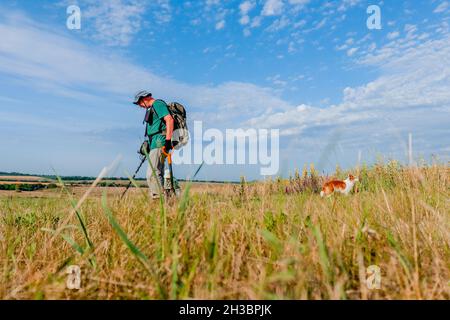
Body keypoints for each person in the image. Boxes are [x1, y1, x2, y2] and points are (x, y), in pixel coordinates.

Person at [133, 91, 174, 199]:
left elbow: (169, 120)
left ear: (144, 98)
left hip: (159, 141)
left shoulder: (158, 104)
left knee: (152, 173)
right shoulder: (151, 108)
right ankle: (168, 198)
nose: (139, 106)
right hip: (154, 142)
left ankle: (158, 200)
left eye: (139, 103)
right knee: (158, 172)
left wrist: (168, 141)